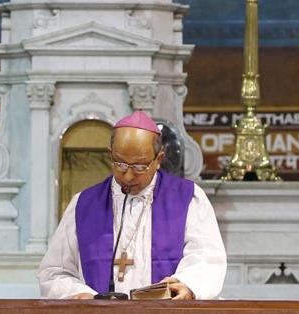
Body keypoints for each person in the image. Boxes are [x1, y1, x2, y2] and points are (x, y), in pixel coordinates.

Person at [38, 111, 226, 300]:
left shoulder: (187, 198)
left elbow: (207, 259)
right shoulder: (84, 204)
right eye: (119, 163)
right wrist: (80, 294)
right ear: (110, 153)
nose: (127, 176)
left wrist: (187, 285)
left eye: (139, 167)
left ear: (158, 160)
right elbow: (55, 272)